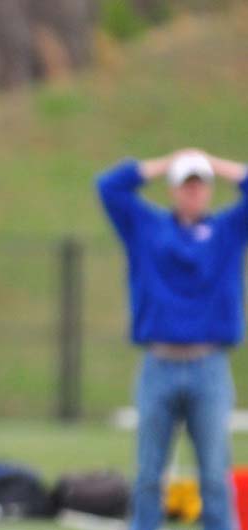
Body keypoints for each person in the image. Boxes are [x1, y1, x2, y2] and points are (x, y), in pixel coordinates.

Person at [97, 150, 248, 530]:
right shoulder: (148, 228)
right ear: (173, 189)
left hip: (209, 366)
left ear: (209, 190)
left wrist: (211, 161)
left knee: (214, 475)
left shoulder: (227, 232)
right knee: (149, 474)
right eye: (186, 184)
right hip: (158, 364)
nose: (193, 192)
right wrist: (169, 161)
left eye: (200, 184)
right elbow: (109, 187)